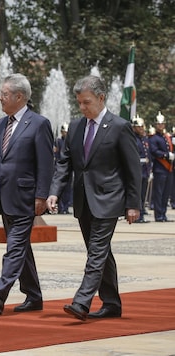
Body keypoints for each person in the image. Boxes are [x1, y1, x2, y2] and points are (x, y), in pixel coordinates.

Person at [47, 75, 141, 321]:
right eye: (79, 103)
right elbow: (64, 163)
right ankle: (111, 303)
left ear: (101, 98)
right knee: (100, 251)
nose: (82, 108)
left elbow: (133, 170)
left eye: (86, 102)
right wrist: (55, 191)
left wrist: (133, 204)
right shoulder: (77, 127)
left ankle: (82, 301)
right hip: (82, 200)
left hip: (109, 199)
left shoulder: (119, 127)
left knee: (96, 252)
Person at [0, 73, 54, 315]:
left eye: (4, 94)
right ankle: (34, 295)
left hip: (26, 197)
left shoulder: (39, 124)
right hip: (3, 196)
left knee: (15, 246)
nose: (0, 98)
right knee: (21, 248)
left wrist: (41, 196)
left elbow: (46, 164)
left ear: (19, 97)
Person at [148, 111, 173, 222]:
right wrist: (167, 155)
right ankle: (158, 215)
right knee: (158, 193)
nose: (160, 126)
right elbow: (154, 151)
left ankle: (163, 213)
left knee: (166, 193)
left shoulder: (166, 137)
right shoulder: (153, 138)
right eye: (158, 124)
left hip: (168, 169)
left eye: (162, 124)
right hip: (160, 168)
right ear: (155, 125)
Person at [132, 116, 151, 223]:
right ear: (134, 128)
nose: (141, 129)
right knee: (137, 195)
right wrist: (141, 160)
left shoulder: (143, 139)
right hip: (137, 171)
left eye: (142, 127)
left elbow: (149, 154)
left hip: (145, 171)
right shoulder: (133, 139)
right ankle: (137, 216)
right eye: (138, 127)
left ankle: (141, 214)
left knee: (143, 195)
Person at [54, 123, 73, 214]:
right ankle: (61, 208)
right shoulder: (58, 141)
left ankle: (66, 207)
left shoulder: (70, 142)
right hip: (59, 167)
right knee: (60, 188)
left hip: (69, 168)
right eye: (65, 132)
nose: (66, 134)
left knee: (68, 188)